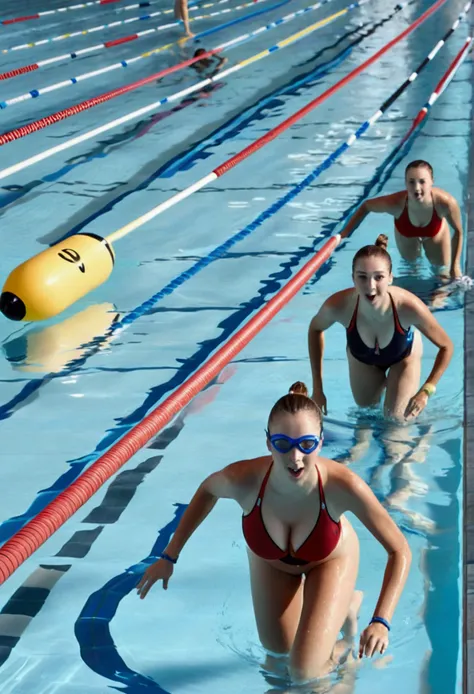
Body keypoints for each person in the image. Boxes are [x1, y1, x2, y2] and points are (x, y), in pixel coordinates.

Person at [137, 382, 411, 685]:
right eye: (283, 444)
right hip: (272, 562)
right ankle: (343, 607)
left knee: (307, 674)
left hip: (330, 559)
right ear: (268, 443)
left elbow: (399, 551)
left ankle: (345, 639)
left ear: (320, 442)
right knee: (278, 663)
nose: (295, 457)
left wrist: (381, 621)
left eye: (306, 445)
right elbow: (206, 491)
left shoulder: (342, 486)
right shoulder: (244, 480)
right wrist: (169, 557)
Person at [308, 235, 453, 421]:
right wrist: (318, 390)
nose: (370, 286)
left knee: (396, 425)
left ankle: (424, 437)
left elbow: (446, 346)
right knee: (365, 415)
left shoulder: (408, 308)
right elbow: (315, 329)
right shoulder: (339, 306)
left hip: (404, 357)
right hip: (362, 359)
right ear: (353, 278)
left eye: (379, 277)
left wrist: (426, 391)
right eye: (362, 277)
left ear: (391, 278)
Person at [339, 160, 464, 280]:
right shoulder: (396, 203)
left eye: (422, 182)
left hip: (435, 232)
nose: (417, 188)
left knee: (441, 273)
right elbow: (366, 206)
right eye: (411, 182)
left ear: (432, 181)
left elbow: (458, 231)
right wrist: (345, 233)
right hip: (406, 232)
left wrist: (455, 265)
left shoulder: (445, 203)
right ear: (405, 183)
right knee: (411, 271)